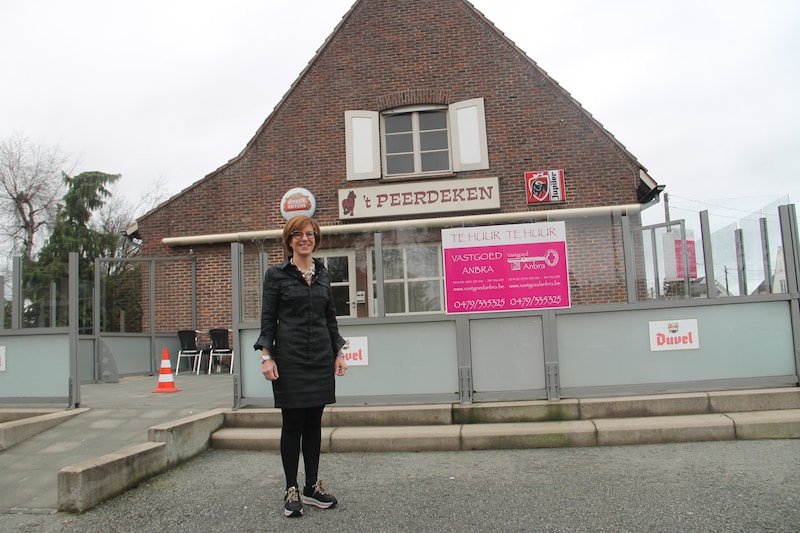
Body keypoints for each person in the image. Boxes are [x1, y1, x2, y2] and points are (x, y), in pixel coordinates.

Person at [254, 215, 348, 518]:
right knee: (293, 424)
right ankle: (291, 488)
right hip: (289, 359)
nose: (305, 238)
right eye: (298, 234)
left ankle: (311, 487)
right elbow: (268, 318)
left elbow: (330, 318)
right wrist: (266, 356)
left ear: (316, 239)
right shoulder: (276, 275)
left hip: (320, 357)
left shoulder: (323, 274)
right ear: (289, 240)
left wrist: (339, 352)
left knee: (314, 424)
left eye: (310, 234)